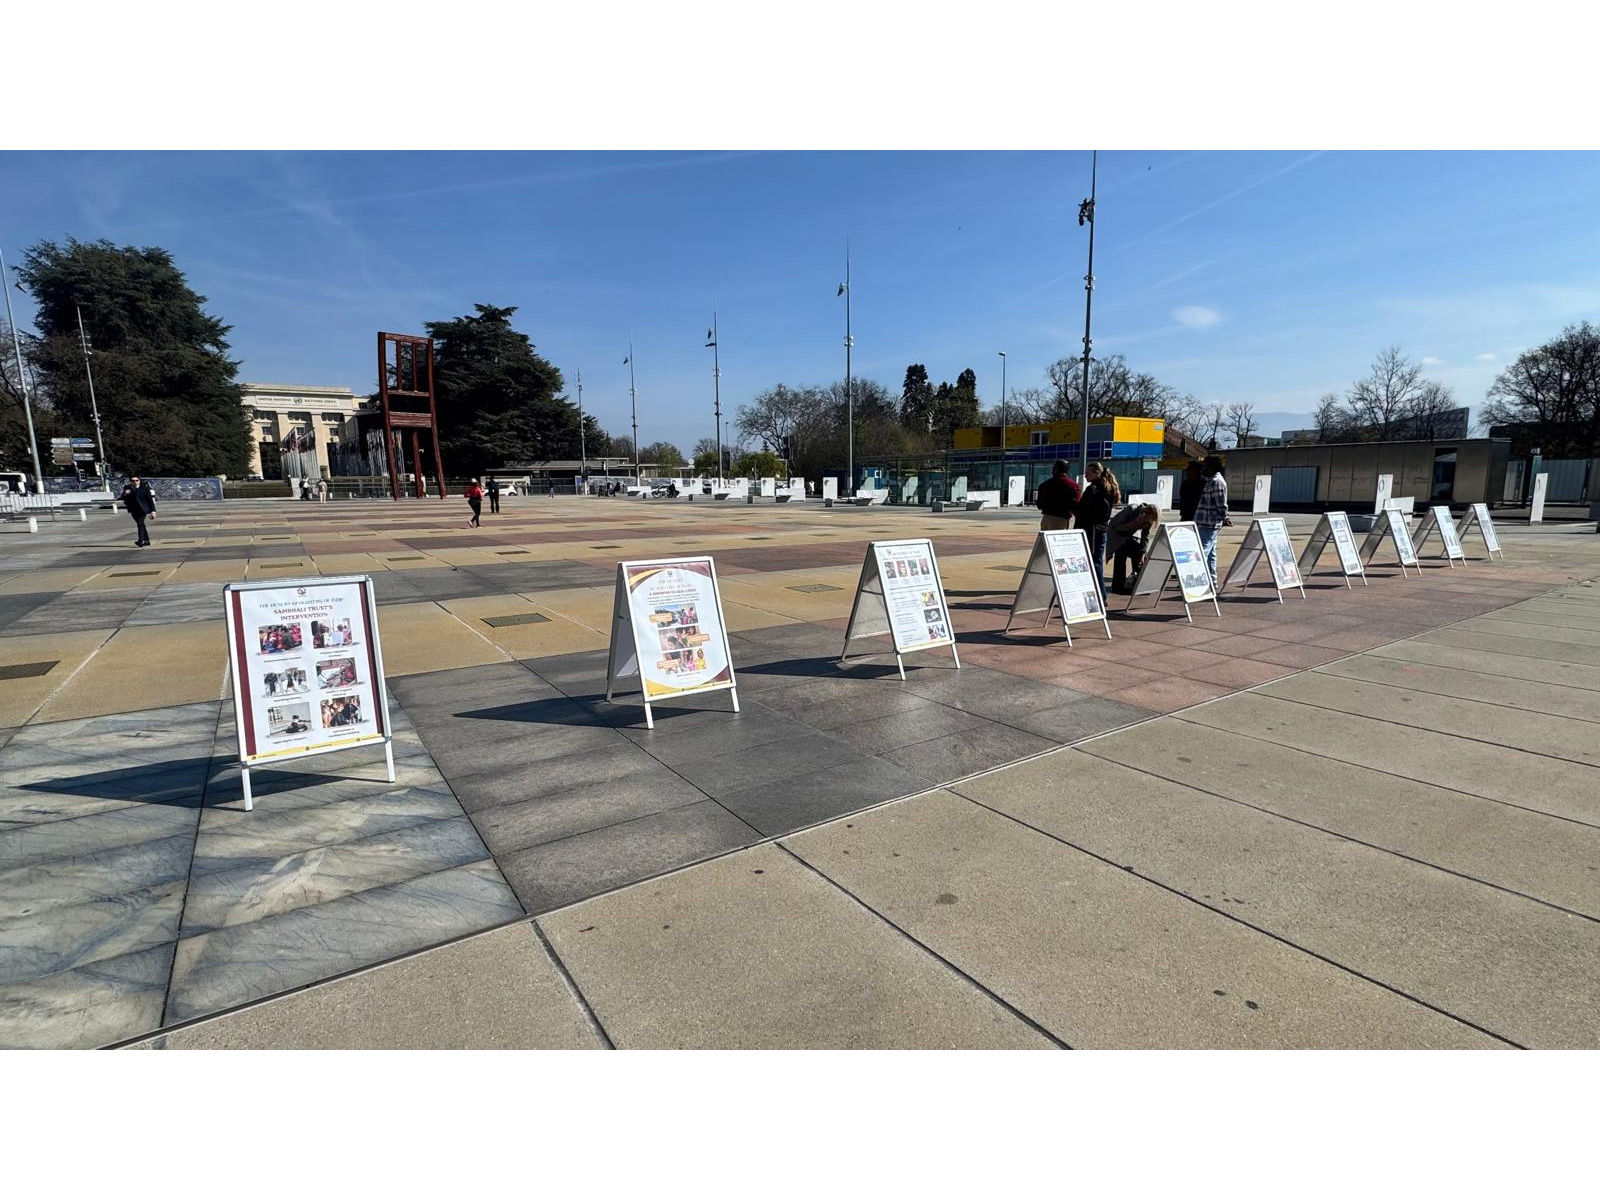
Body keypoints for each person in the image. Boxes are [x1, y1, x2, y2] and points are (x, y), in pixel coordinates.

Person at [1078, 461, 1121, 594]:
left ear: (1096, 473)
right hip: (1102, 529)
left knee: (1092, 561)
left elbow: (1082, 510)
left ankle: (1100, 594)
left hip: (1091, 530)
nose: (1085, 476)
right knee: (1097, 561)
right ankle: (1100, 594)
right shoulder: (1109, 488)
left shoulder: (1093, 489)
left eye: (1087, 473)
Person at [1108, 503, 1161, 594]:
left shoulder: (1148, 520)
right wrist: (1133, 523)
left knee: (1139, 553)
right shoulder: (1131, 510)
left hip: (1127, 536)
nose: (1149, 522)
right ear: (1147, 513)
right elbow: (1117, 527)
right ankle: (1118, 586)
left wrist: (1143, 552)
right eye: (1150, 519)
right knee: (1120, 554)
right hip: (1116, 534)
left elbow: (1145, 537)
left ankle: (1138, 583)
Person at [1194, 454, 1232, 584]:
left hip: (1209, 522)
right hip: (1206, 522)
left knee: (1203, 551)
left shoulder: (1216, 482)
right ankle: (1212, 580)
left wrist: (1225, 517)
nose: (1203, 469)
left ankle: (1197, 579)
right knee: (1211, 553)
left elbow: (1221, 503)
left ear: (1211, 467)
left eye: (1205, 466)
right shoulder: (1212, 480)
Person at [1035, 459, 1080, 531]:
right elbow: (1076, 504)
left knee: (1044, 537)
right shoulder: (1072, 485)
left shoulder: (1044, 485)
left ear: (1055, 469)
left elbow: (1040, 505)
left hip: (1046, 517)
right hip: (1061, 518)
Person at [122, 478, 153, 547]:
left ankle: (141, 540)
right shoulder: (127, 487)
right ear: (130, 481)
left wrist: (153, 511)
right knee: (141, 525)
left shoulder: (144, 487)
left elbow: (149, 499)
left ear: (139, 481)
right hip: (133, 509)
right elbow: (123, 497)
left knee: (140, 523)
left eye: (137, 480)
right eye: (133, 481)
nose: (135, 482)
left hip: (143, 509)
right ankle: (147, 540)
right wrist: (125, 494)